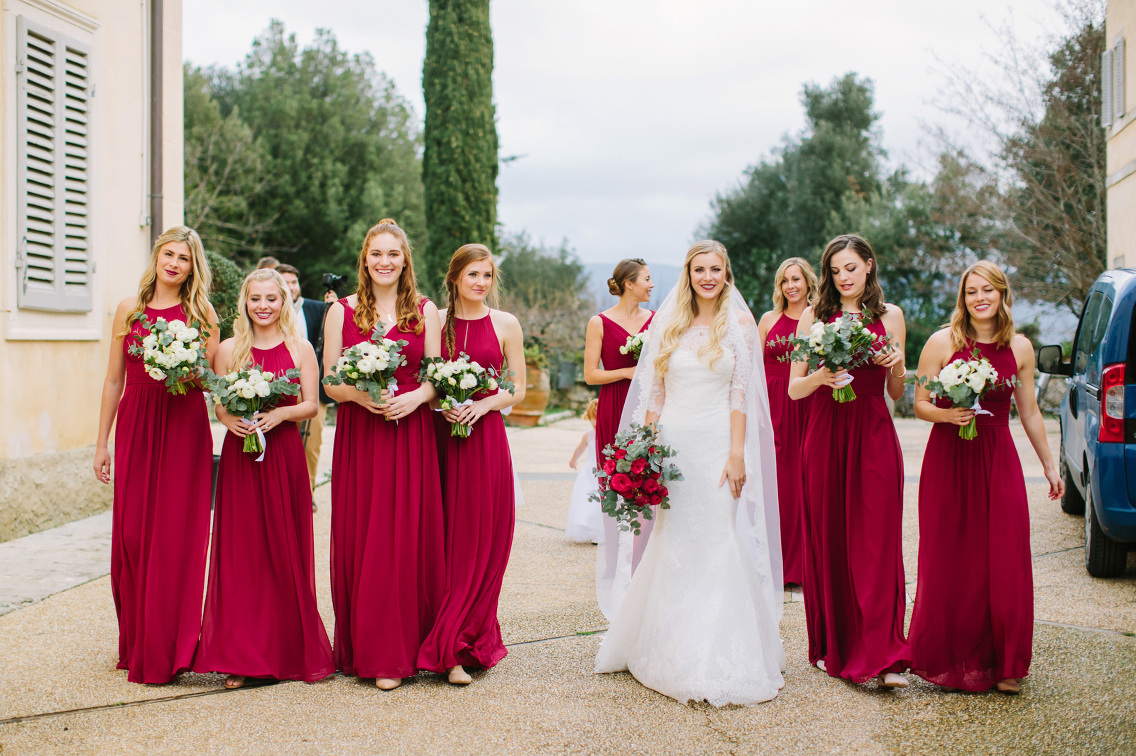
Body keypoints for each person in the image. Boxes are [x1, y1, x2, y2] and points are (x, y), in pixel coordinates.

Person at [594, 240, 785, 707]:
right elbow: (654, 395)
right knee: (673, 539)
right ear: (689, 272)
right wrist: (643, 450)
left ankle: (720, 650)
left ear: (726, 273)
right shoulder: (670, 323)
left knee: (719, 535)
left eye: (715, 269)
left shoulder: (740, 324)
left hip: (717, 445)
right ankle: (667, 644)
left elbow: (740, 395)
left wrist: (737, 453)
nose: (707, 276)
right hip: (673, 447)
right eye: (699, 269)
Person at [908, 261, 1063, 694]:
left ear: (1002, 295)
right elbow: (919, 402)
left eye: (988, 291)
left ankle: (1006, 663)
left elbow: (1029, 411)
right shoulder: (942, 342)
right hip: (949, 457)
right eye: (972, 291)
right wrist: (947, 413)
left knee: (1006, 554)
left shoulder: (1022, 348)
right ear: (963, 297)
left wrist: (1050, 464)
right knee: (952, 555)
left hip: (998, 454)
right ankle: (950, 657)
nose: (980, 298)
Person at [193, 269, 333, 689]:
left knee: (282, 549)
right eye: (256, 299)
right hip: (241, 455)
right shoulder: (230, 349)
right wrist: (230, 420)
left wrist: (280, 414)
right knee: (241, 551)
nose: (264, 306)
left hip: (284, 454)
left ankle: (285, 649)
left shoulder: (300, 347)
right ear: (245, 302)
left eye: (272, 298)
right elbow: (219, 404)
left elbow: (311, 404)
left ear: (284, 301)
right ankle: (239, 655)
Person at [92, 226, 219, 684]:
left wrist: (185, 366)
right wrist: (102, 442)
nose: (174, 263)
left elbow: (210, 382)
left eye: (184, 259)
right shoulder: (129, 310)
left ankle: (171, 645)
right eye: (169, 254)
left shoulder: (201, 314)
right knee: (132, 535)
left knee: (174, 536)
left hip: (182, 427)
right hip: (136, 427)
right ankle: (136, 639)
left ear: (193, 267)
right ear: (157, 256)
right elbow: (113, 381)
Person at [323, 219, 445, 691]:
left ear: (405, 259)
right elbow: (330, 381)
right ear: (364, 259)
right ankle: (374, 650)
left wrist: (416, 398)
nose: (385, 261)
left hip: (412, 434)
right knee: (366, 537)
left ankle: (409, 647)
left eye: (393, 253)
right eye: (377, 253)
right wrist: (358, 396)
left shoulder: (425, 311)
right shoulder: (343, 312)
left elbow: (436, 377)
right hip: (362, 436)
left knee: (407, 537)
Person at [788, 234, 910, 688]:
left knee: (877, 542)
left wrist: (896, 365)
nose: (844, 278)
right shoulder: (812, 317)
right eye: (836, 271)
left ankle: (885, 655)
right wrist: (821, 375)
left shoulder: (890, 316)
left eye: (851, 268)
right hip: (824, 436)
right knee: (832, 539)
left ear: (870, 266)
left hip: (874, 434)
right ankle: (840, 645)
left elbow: (896, 391)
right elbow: (793, 389)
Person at [417, 243, 526, 686]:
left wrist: (481, 408)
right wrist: (444, 405)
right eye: (472, 275)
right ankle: (446, 648)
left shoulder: (506, 323)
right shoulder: (435, 323)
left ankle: (469, 639)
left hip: (485, 442)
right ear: (454, 278)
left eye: (487, 275)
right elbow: (424, 379)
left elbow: (516, 388)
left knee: (485, 540)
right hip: (441, 442)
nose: (480, 283)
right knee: (446, 543)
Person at [583, 258, 654, 618]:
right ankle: (617, 559)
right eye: (646, 279)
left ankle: (642, 559)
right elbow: (591, 374)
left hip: (645, 408)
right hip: (613, 406)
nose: (651, 285)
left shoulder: (656, 321)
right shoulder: (599, 322)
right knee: (616, 484)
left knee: (647, 482)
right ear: (628, 283)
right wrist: (628, 371)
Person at [758, 257, 818, 586]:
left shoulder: (820, 319)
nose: (791, 286)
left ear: (808, 282)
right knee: (777, 484)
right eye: (784, 281)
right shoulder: (769, 319)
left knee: (805, 483)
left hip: (807, 405)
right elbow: (752, 367)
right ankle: (776, 565)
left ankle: (805, 566)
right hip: (772, 407)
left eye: (796, 279)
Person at [276, 263, 330, 489]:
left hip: (313, 388)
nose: (291, 287)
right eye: (285, 282)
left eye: (294, 282)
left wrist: (333, 307)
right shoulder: (268, 310)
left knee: (312, 443)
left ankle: (307, 492)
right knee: (280, 443)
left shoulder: (318, 308)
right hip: (279, 388)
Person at [566, 398, 603, 544]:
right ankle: (584, 524)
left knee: (600, 501)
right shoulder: (589, 435)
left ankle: (599, 532)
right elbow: (580, 448)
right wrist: (573, 459)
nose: (595, 427)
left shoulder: (609, 432)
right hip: (590, 471)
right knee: (586, 498)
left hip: (603, 471)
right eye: (593, 423)